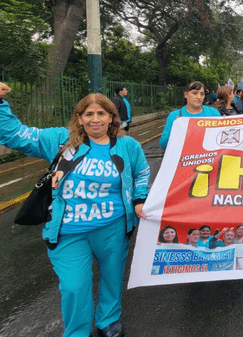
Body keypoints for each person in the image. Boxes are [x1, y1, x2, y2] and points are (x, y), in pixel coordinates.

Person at [0, 83, 150, 337]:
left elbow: (142, 173)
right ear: (79, 118)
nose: (95, 119)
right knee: (74, 286)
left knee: (112, 278)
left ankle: (108, 319)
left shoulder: (129, 146)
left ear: (112, 117)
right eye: (88, 114)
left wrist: (139, 200)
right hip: (68, 230)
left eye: (102, 113)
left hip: (113, 228)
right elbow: (15, 135)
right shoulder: (60, 140)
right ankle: (77, 331)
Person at [160, 81, 221, 149]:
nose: (199, 97)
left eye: (202, 94)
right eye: (195, 93)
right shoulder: (174, 115)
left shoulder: (213, 113)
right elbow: (163, 145)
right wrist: (174, 129)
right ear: (186, 94)